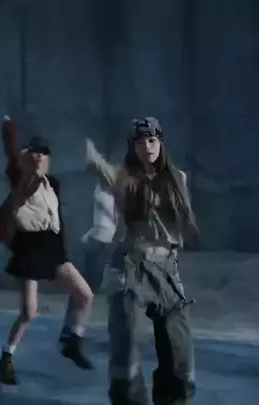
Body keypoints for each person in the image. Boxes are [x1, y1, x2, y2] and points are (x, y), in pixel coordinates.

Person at [86, 117, 197, 405]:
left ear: (160, 143)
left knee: (179, 352)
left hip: (167, 269)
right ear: (132, 147)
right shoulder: (122, 178)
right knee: (127, 347)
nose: (147, 146)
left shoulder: (177, 179)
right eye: (139, 142)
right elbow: (101, 173)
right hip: (131, 266)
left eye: (151, 140)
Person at [0, 116, 95, 386]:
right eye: (36, 152)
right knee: (29, 312)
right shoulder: (21, 179)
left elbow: (56, 219)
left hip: (52, 247)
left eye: (44, 153)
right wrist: (9, 130)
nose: (40, 156)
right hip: (29, 249)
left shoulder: (52, 184)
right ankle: (6, 358)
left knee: (85, 295)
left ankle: (71, 339)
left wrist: (62, 250)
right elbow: (12, 156)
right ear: (28, 156)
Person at [59, 179, 119, 341]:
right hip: (99, 242)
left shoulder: (116, 189)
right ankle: (72, 328)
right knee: (87, 286)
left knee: (98, 286)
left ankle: (73, 327)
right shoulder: (103, 191)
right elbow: (113, 216)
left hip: (110, 242)